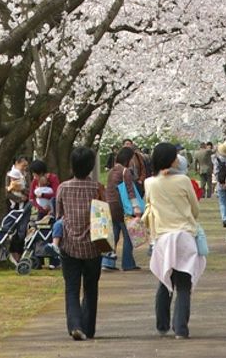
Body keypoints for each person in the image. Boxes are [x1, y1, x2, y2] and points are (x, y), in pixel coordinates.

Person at [145, 142, 205, 340]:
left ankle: (162, 325)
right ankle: (181, 329)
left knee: (164, 281)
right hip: (185, 237)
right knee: (184, 285)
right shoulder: (183, 180)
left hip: (162, 238)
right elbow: (195, 209)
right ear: (172, 159)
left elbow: (150, 208)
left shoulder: (149, 183)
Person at [56, 147, 104, 341]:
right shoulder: (97, 188)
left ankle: (75, 325)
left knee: (72, 288)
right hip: (93, 245)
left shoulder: (63, 187)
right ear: (91, 166)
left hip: (69, 245)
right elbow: (105, 213)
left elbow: (59, 214)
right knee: (91, 288)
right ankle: (89, 328)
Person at [105, 146, 142, 272]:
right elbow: (130, 190)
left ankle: (108, 261)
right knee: (128, 235)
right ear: (128, 159)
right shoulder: (125, 171)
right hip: (122, 207)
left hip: (110, 205)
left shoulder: (111, 171)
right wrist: (136, 207)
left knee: (114, 234)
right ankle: (127, 263)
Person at [213, 142, 226, 228]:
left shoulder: (217, 160)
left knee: (222, 202)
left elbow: (215, 172)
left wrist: (220, 181)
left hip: (220, 183)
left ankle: (225, 218)